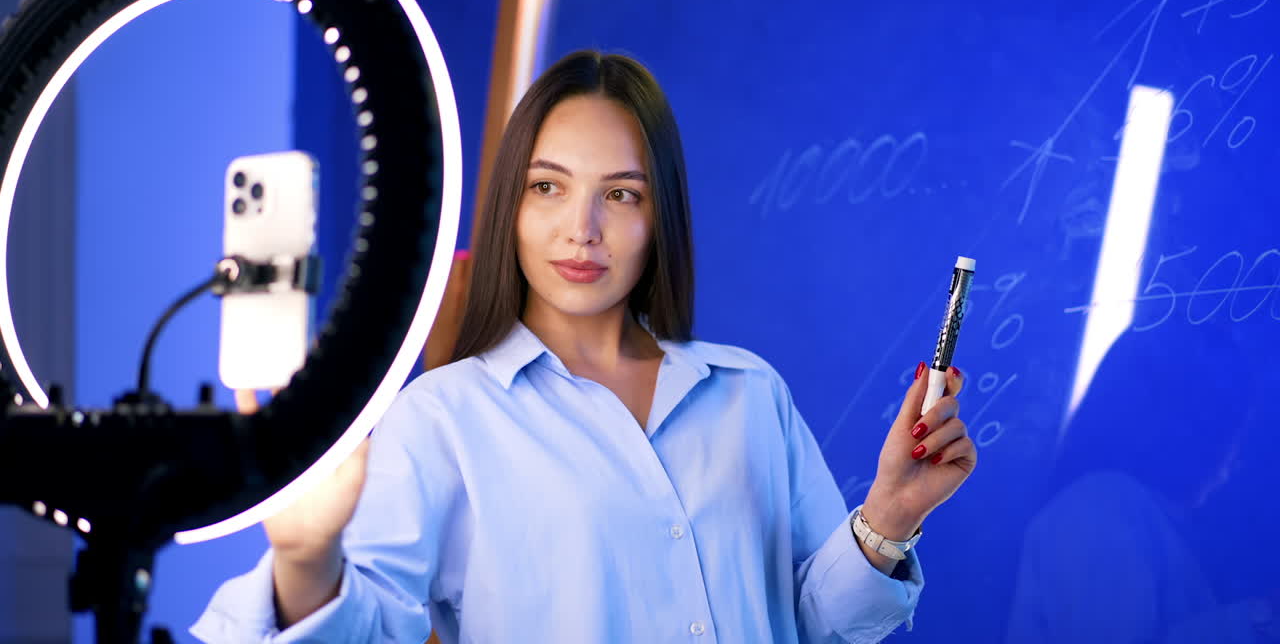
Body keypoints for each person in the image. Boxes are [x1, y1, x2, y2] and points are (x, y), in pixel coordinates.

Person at [191, 50, 977, 643]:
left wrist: (889, 515)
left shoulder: (749, 394)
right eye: (548, 187)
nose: (582, 229)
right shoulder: (442, 418)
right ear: (512, 205)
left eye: (621, 194)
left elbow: (815, 622)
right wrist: (305, 558)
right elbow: (371, 628)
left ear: (659, 213)